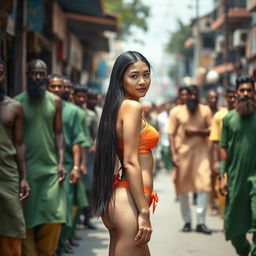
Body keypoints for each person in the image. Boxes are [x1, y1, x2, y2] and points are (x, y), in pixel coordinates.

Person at [92, 51, 159, 256]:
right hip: (128, 202)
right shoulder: (131, 107)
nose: (142, 81)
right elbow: (130, 163)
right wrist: (144, 211)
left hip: (122, 199)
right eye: (134, 76)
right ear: (120, 80)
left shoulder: (118, 106)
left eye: (146, 74)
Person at [15, 59, 67, 256]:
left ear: (46, 75)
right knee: (25, 221)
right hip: (24, 172)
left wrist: (61, 161)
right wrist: (21, 174)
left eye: (41, 73)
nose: (37, 77)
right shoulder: (17, 102)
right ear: (28, 74)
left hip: (50, 170)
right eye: (33, 73)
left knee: (55, 217)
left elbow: (59, 133)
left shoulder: (56, 102)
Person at [47, 74, 86, 255]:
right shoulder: (36, 106)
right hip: (43, 166)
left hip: (68, 166)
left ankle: (60, 245)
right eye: (53, 86)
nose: (57, 90)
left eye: (59, 87)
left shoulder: (73, 111)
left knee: (66, 209)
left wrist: (77, 167)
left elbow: (78, 142)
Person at [219, 75, 256, 256]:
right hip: (236, 179)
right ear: (237, 93)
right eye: (243, 90)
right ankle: (245, 251)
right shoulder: (229, 120)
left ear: (254, 92)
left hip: (255, 179)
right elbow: (223, 148)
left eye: (250, 90)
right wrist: (221, 176)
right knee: (234, 230)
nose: (246, 94)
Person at [168, 85, 212, 234]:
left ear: (199, 95)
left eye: (195, 95)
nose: (192, 97)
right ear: (186, 96)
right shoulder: (176, 112)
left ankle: (201, 221)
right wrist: (173, 154)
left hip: (202, 155)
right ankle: (187, 221)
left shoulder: (205, 110)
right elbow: (171, 134)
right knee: (182, 189)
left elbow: (212, 131)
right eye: (190, 95)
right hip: (183, 155)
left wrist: (196, 132)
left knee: (205, 186)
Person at [0, 60, 30, 256]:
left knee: (13, 225)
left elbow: (19, 144)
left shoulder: (14, 106)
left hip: (7, 173)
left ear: (3, 76)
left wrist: (24, 177)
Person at [209, 87, 236, 219]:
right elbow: (215, 141)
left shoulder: (245, 114)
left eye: (234, 96)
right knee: (221, 189)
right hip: (223, 159)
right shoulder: (219, 116)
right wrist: (215, 161)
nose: (232, 100)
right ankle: (226, 219)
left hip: (239, 160)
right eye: (230, 97)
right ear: (226, 98)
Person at [157, 102, 173, 172]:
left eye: (169, 107)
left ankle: (171, 167)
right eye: (166, 107)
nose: (168, 108)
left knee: (172, 152)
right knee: (166, 152)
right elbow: (158, 128)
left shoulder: (174, 115)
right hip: (164, 138)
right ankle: (168, 167)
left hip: (173, 137)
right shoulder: (160, 117)